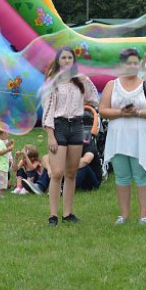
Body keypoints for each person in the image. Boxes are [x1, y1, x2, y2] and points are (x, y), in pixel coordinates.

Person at [100, 48, 146, 225]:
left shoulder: (145, 85)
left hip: (139, 134)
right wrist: (120, 112)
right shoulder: (112, 85)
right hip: (118, 135)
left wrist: (138, 113)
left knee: (141, 174)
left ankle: (144, 216)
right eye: (129, 63)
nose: (133, 66)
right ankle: (124, 214)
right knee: (122, 175)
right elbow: (103, 109)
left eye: (136, 63)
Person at [41, 47, 99, 225]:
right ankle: (52, 215)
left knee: (71, 173)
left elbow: (94, 99)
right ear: (58, 61)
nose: (67, 61)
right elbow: (48, 111)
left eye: (70, 58)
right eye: (63, 58)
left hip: (77, 125)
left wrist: (85, 81)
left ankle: (67, 213)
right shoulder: (53, 83)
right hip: (59, 126)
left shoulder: (80, 82)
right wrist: (50, 135)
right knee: (57, 173)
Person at [0, 126, 14, 199]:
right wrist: (8, 150)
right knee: (0, 183)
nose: (8, 134)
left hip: (0, 167)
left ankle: (0, 195)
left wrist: (8, 144)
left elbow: (2, 147)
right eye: (7, 132)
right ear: (3, 133)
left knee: (2, 183)